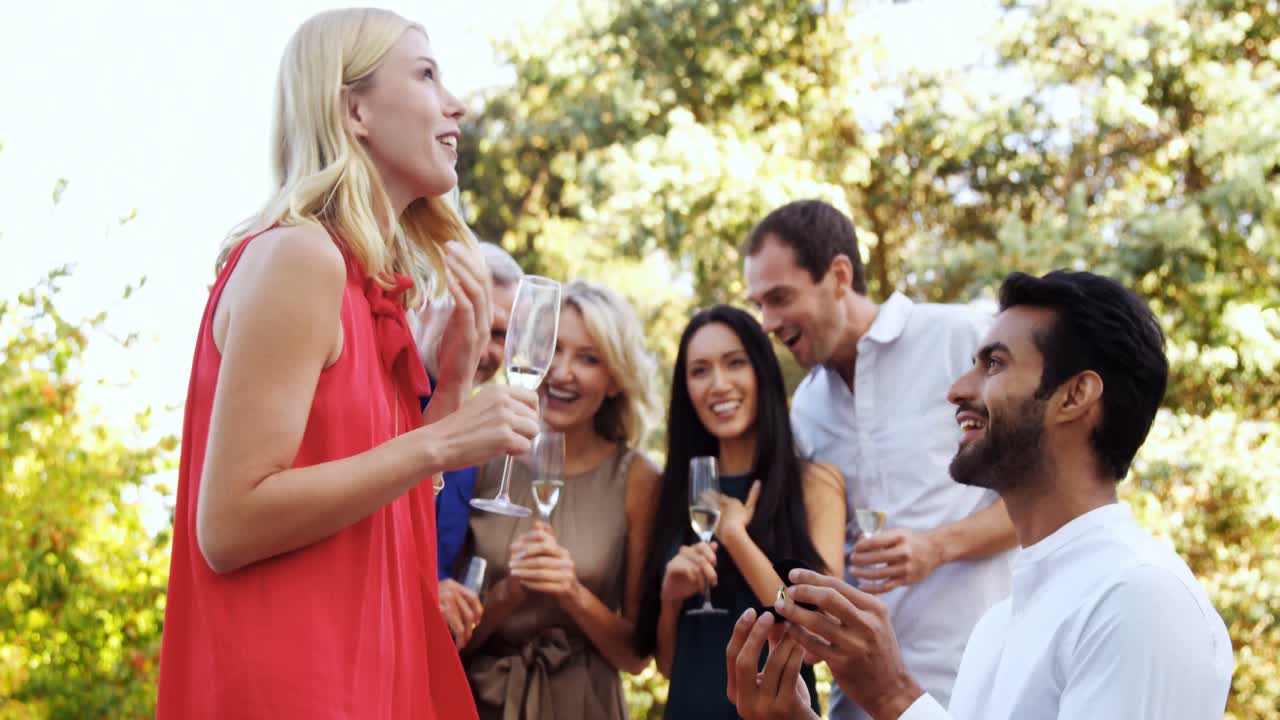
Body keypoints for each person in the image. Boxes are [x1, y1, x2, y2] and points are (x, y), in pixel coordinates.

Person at [156, 10, 541, 719]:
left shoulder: (367, 291)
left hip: (367, 671)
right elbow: (230, 523)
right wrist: (443, 439)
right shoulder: (302, 257)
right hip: (299, 681)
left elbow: (387, 511)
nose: (457, 102)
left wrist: (452, 384)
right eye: (427, 74)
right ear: (353, 109)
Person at [726, 271, 1235, 720]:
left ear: (1075, 396)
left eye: (993, 364)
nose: (957, 390)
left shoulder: (1137, 598)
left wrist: (894, 696)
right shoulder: (999, 625)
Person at [742, 199, 1017, 717]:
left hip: (976, 685)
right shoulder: (807, 407)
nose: (767, 322)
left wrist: (936, 546)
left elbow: (1051, 492)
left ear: (839, 275)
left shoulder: (962, 340)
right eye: (759, 304)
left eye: (779, 298)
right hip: (857, 699)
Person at [462, 280, 662, 720]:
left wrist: (572, 592)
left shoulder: (639, 479)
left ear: (614, 381)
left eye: (588, 358)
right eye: (553, 348)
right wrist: (507, 595)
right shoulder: (481, 456)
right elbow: (446, 635)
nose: (562, 371)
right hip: (480, 701)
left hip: (586, 705)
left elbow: (637, 657)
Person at [634, 305, 846, 718]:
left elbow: (818, 640)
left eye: (735, 363)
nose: (719, 384)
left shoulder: (816, 484)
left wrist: (734, 536)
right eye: (700, 371)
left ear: (762, 372)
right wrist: (671, 599)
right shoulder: (669, 492)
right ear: (686, 390)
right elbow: (665, 664)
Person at [432, 242, 524, 648]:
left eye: (499, 334)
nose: (481, 347)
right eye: (472, 319)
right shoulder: (383, 399)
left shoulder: (481, 439)